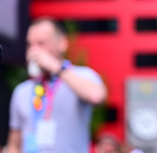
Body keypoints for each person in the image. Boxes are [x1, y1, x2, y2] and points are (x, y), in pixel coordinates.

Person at [7, 17, 107, 153]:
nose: (33, 50)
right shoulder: (22, 91)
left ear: (62, 43)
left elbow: (96, 96)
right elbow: (14, 145)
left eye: (41, 43)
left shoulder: (82, 75)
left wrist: (56, 67)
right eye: (30, 44)